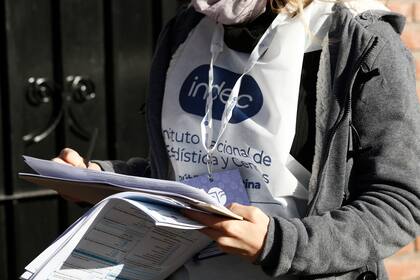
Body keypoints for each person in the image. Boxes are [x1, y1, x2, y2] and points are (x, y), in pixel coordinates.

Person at [53, 0, 420, 279]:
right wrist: (101, 178)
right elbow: (186, 175)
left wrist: (278, 243)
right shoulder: (189, 28)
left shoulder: (360, 38)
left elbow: (399, 203)